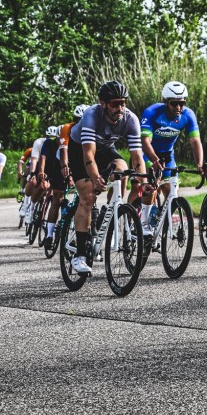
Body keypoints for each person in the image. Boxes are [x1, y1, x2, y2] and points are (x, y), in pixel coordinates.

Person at [67, 81, 146, 275]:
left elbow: (137, 156)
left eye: (123, 103)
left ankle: (111, 210)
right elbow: (88, 155)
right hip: (80, 149)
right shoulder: (91, 115)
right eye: (115, 104)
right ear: (103, 103)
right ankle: (80, 255)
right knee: (87, 195)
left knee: (122, 170)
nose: (120, 108)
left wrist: (143, 182)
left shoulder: (130, 119)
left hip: (105, 148)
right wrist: (95, 177)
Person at [132, 81, 204, 236]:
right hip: (149, 153)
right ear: (165, 101)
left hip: (167, 155)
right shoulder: (152, 112)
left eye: (182, 103)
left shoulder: (188, 115)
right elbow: (145, 142)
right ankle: (143, 223)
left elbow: (195, 141)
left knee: (172, 192)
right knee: (151, 187)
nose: (178, 107)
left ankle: (158, 217)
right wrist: (154, 160)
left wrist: (200, 163)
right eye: (174, 103)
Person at [36, 126, 66, 249]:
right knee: (56, 199)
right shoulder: (48, 143)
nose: (60, 141)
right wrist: (41, 172)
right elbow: (42, 158)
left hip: (71, 167)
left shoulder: (75, 141)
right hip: (55, 168)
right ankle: (49, 235)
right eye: (59, 139)